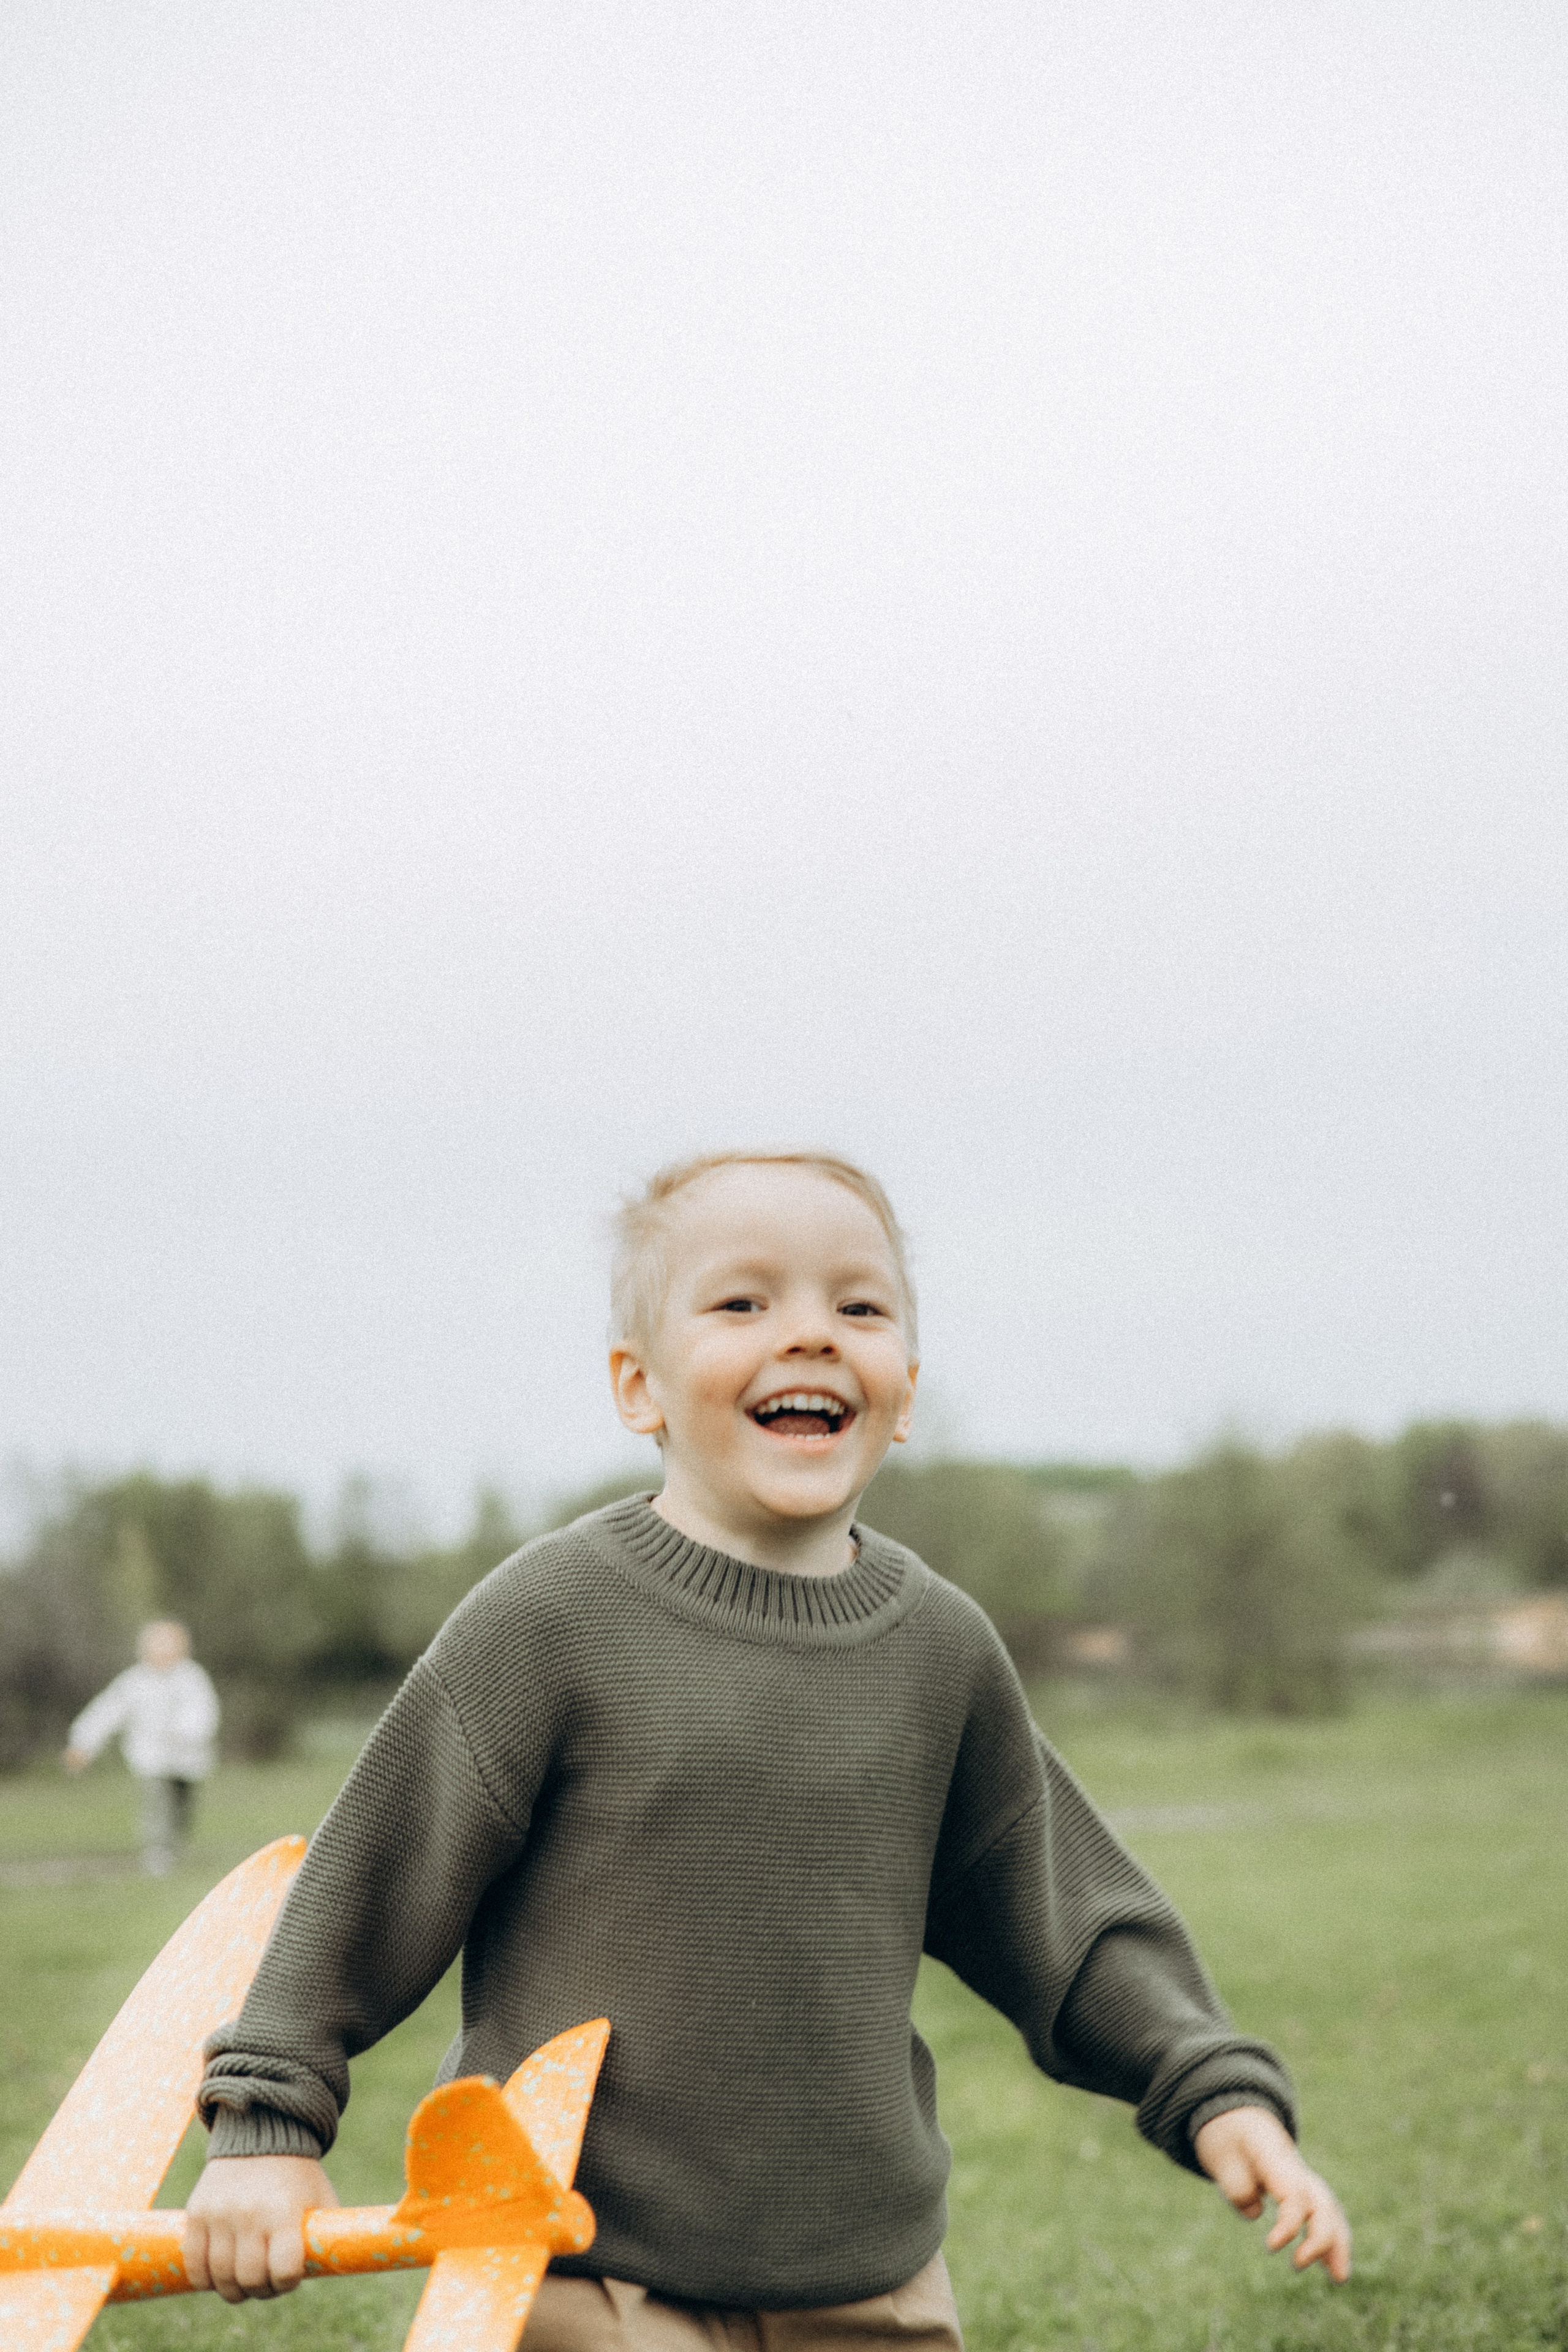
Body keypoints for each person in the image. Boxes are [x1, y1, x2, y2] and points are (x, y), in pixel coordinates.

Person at [183, 1150, 1351, 2335]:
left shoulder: (940, 1651)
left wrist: (1207, 2085)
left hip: (865, 2285)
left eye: (860, 1306)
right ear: (638, 1387)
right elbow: (369, 1880)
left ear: (904, 1387)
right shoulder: (548, 1621)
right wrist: (266, 2127)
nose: (811, 1335)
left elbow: (1061, 1916)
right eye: (744, 1303)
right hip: (573, 2267)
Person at [65, 1617, 221, 1875]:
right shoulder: (135, 1681)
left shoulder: (192, 1678)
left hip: (188, 1759)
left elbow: (204, 1713)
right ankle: (157, 1851)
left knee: (181, 1807)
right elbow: (107, 1712)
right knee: (157, 1803)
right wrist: (82, 1743)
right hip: (151, 1758)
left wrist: (188, 1734)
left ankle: (173, 1846)